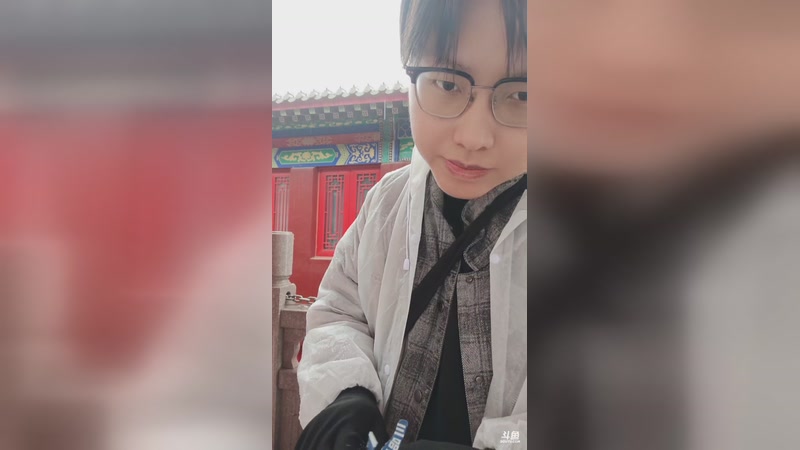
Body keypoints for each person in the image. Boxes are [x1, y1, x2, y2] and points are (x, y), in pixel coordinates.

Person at [295, 0, 527, 449]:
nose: (473, 137)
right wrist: (347, 393)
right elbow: (341, 309)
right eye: (447, 83)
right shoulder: (388, 202)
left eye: (523, 95)